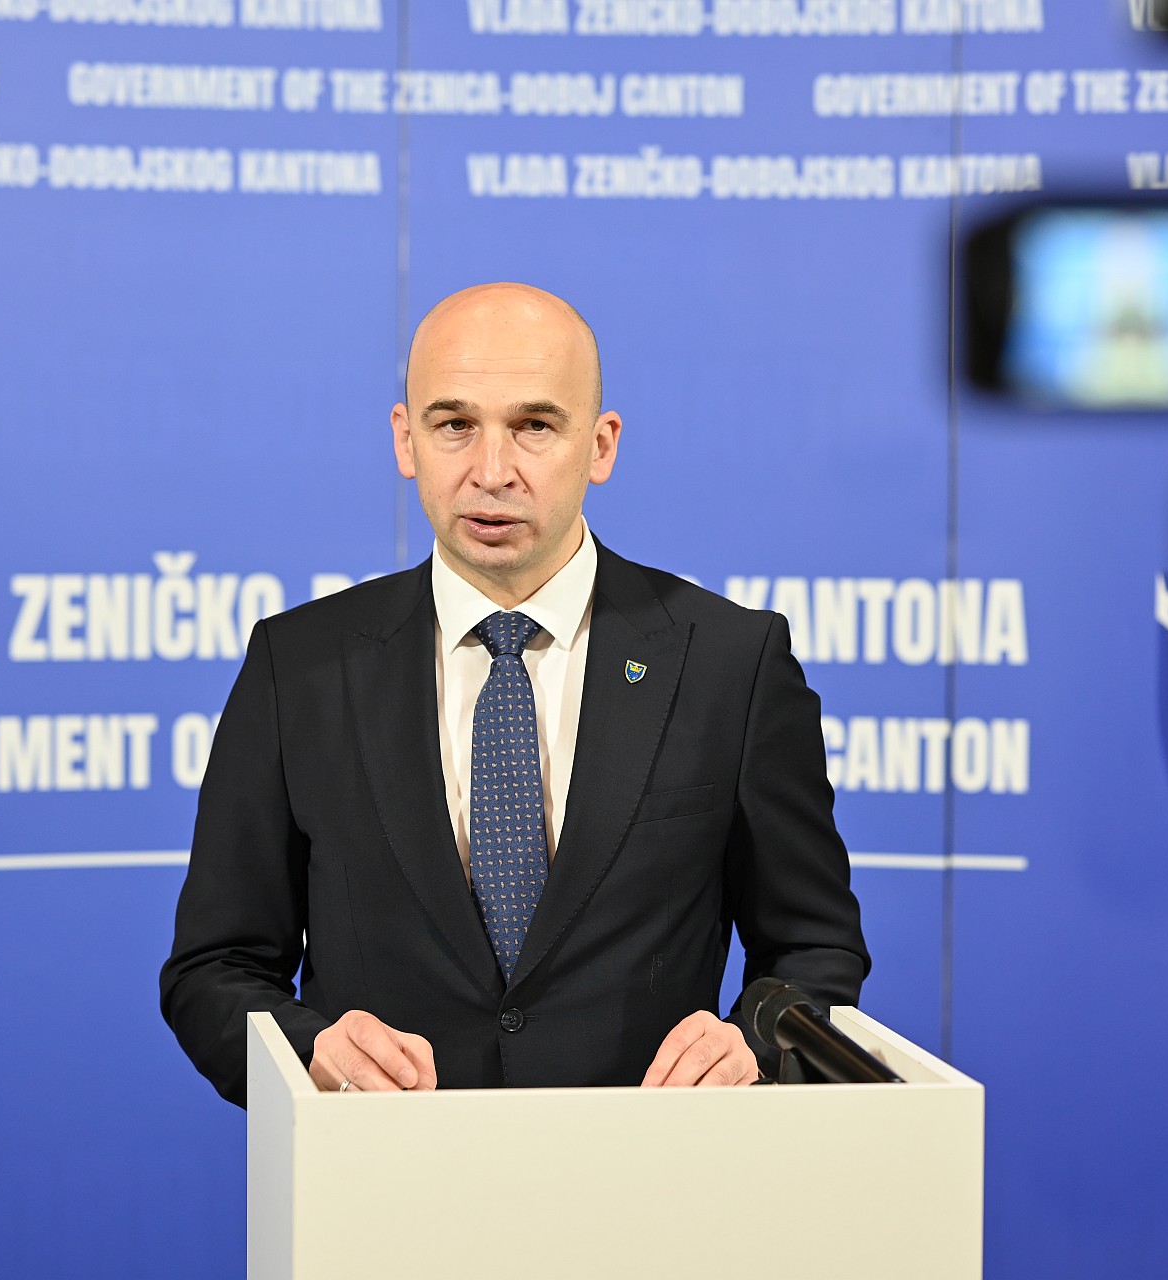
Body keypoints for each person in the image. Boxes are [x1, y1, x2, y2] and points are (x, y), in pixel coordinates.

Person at [160, 283, 868, 1104]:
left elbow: (815, 950)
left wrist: (752, 1046)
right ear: (406, 440)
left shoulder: (729, 664)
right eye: (455, 425)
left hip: (651, 1169)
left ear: (600, 446)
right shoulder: (299, 667)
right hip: (386, 1173)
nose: (491, 473)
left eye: (534, 426)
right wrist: (311, 1050)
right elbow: (214, 971)